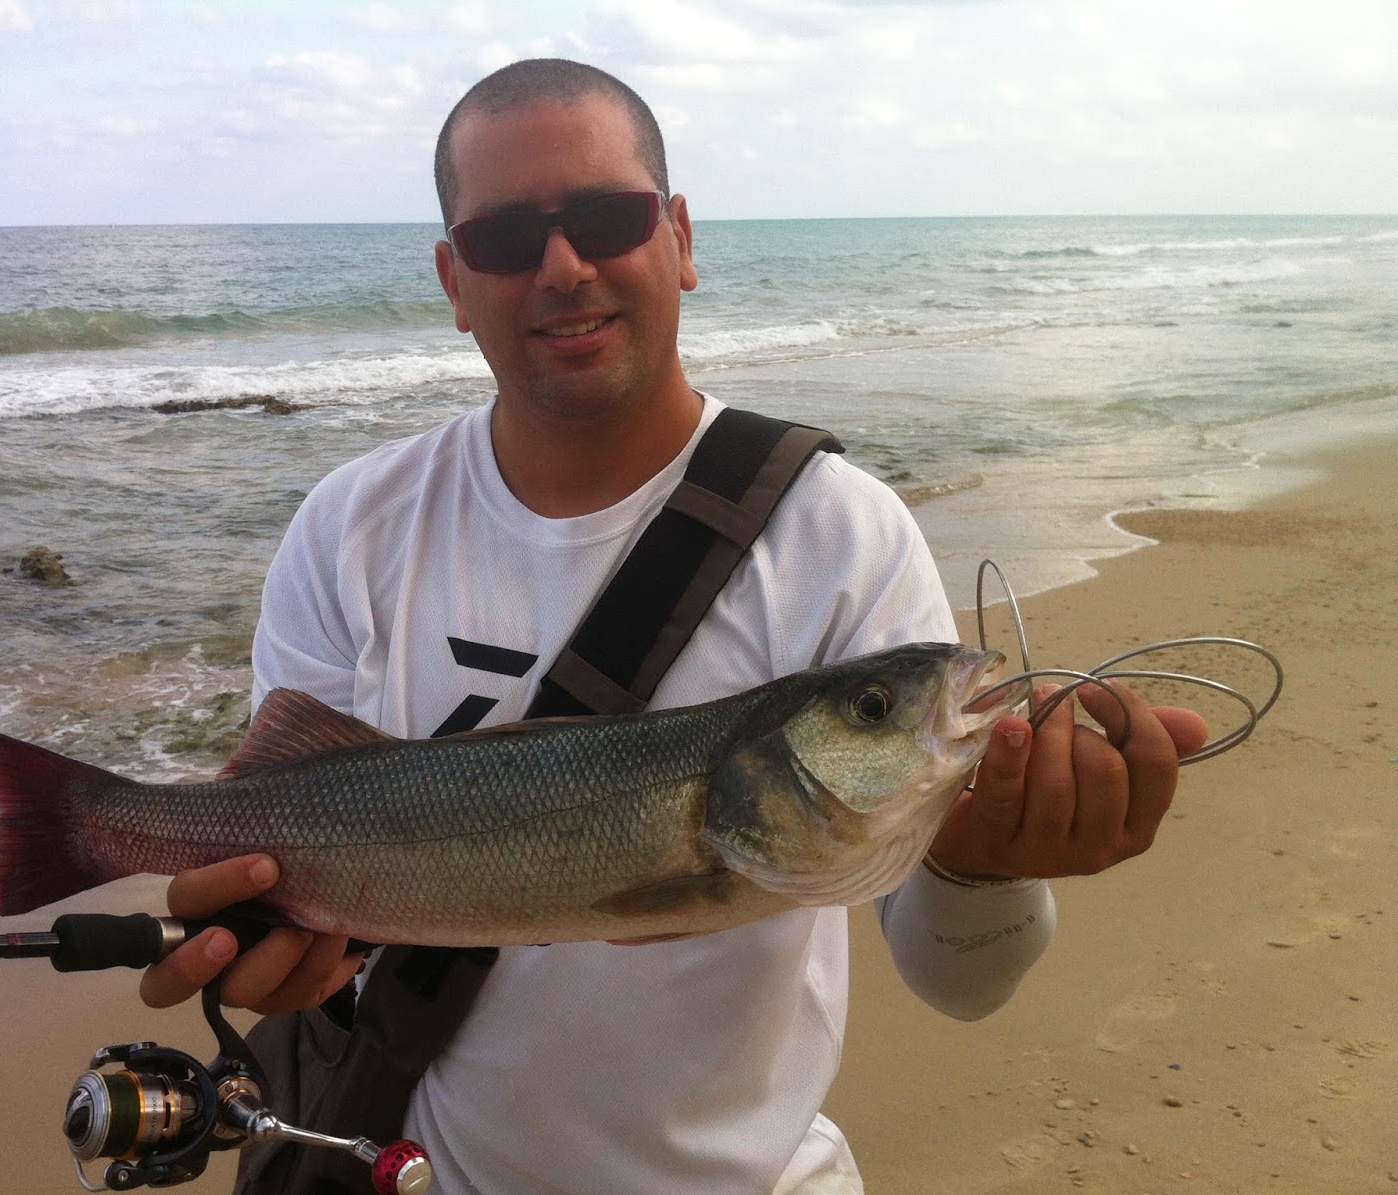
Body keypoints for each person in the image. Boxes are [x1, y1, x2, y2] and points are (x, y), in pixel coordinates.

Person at [139, 59, 1208, 1192]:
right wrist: (271, 939)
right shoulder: (349, 527)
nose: (563, 265)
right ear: (454, 281)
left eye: (606, 216)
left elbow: (961, 984)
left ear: (680, 238)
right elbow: (305, 856)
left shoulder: (841, 536)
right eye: (506, 239)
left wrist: (985, 868)